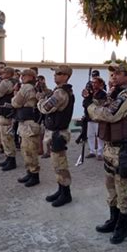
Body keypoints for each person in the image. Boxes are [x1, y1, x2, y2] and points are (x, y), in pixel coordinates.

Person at [87, 62, 127, 244]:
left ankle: (123, 227)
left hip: (123, 149)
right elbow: (105, 107)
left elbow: (110, 115)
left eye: (119, 73)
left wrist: (90, 107)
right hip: (111, 148)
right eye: (113, 73)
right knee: (111, 187)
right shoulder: (116, 93)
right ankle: (113, 220)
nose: (114, 76)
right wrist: (95, 98)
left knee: (123, 189)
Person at [37, 65, 75, 207]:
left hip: (58, 134)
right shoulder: (59, 91)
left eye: (58, 74)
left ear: (66, 76)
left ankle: (66, 194)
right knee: (56, 165)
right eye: (55, 74)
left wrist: (40, 100)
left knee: (60, 165)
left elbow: (45, 108)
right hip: (55, 132)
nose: (55, 76)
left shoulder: (61, 93)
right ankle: (61, 190)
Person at [12, 69, 41, 187]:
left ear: (31, 76)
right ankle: (30, 172)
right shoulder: (32, 86)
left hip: (29, 124)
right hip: (26, 123)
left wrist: (15, 92)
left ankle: (34, 175)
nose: (22, 77)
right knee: (26, 150)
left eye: (25, 75)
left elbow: (15, 103)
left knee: (30, 151)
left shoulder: (27, 87)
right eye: (22, 75)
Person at [0, 66, 17, 171]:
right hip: (6, 112)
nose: (1, 75)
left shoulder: (6, 83)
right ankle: (8, 158)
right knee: (5, 137)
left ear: (9, 74)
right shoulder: (13, 82)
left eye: (3, 73)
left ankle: (11, 159)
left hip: (5, 114)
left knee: (6, 137)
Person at [82, 76, 107, 160]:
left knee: (99, 136)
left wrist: (90, 98)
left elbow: (100, 104)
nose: (93, 84)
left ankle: (100, 152)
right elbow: (85, 104)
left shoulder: (103, 93)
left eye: (95, 82)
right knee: (90, 135)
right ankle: (92, 151)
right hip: (90, 117)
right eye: (92, 82)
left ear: (100, 84)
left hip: (98, 118)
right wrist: (87, 96)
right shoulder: (90, 92)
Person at [36, 75, 52, 158]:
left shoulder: (49, 91)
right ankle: (41, 149)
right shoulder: (35, 91)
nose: (39, 83)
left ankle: (48, 150)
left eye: (40, 81)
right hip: (38, 114)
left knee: (47, 133)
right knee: (40, 134)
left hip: (46, 114)